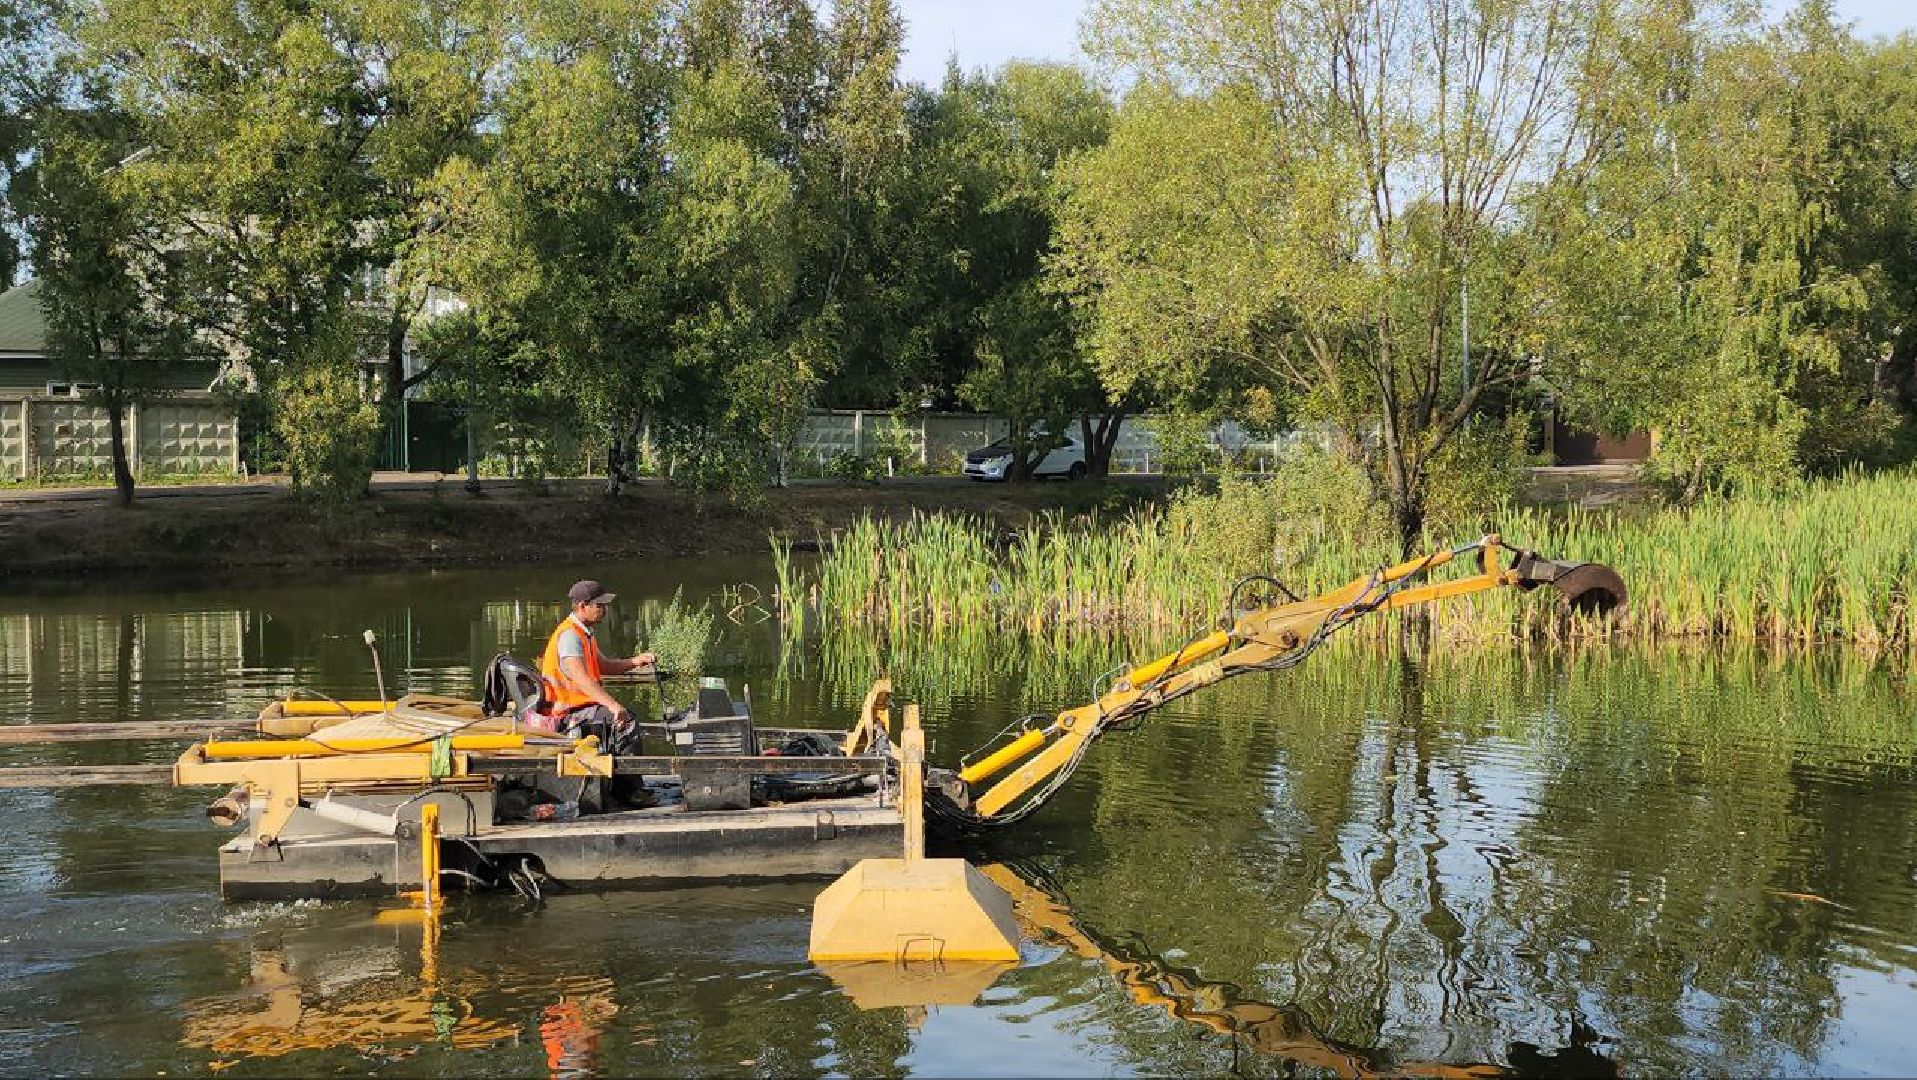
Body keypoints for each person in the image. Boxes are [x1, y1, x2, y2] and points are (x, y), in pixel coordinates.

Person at [539, 580, 656, 755]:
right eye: (599, 606)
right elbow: (581, 679)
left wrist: (635, 662)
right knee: (628, 722)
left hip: (582, 707)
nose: (604, 610)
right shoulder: (570, 635)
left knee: (623, 717)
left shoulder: (585, 634)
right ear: (582, 606)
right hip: (567, 712)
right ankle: (629, 780)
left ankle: (613, 772)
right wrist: (613, 705)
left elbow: (604, 665)